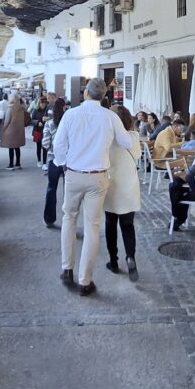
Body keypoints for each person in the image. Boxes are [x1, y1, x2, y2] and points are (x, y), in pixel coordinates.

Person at [53, 78, 134, 296]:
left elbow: (58, 144)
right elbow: (128, 143)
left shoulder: (71, 114)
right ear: (104, 96)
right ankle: (85, 280)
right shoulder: (110, 116)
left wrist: (63, 165)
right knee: (92, 227)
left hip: (74, 174)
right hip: (98, 177)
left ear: (86, 93)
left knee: (69, 218)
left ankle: (66, 269)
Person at [104, 105, 142, 281]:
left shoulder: (107, 138)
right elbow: (138, 156)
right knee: (128, 225)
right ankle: (130, 257)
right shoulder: (133, 136)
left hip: (111, 185)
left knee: (110, 225)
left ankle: (113, 260)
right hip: (129, 186)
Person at [42, 98, 67, 228]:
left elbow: (45, 143)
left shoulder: (50, 124)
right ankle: (68, 219)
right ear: (64, 108)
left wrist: (51, 148)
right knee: (67, 190)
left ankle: (49, 218)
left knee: (51, 188)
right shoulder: (68, 123)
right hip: (68, 162)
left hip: (53, 160)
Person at [0, 93, 26, 169]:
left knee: (11, 147)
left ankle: (11, 164)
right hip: (19, 130)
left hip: (11, 131)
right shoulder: (21, 108)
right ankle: (18, 163)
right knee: (17, 147)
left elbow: (7, 121)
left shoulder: (10, 108)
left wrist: (3, 128)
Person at [31, 97, 49, 167]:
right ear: (39, 103)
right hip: (37, 130)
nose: (43, 105)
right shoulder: (35, 110)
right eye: (42, 103)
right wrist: (37, 122)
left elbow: (50, 117)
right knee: (38, 146)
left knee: (44, 146)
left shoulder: (47, 110)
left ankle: (44, 163)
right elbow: (31, 120)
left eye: (44, 103)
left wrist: (47, 119)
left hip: (45, 131)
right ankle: (39, 161)